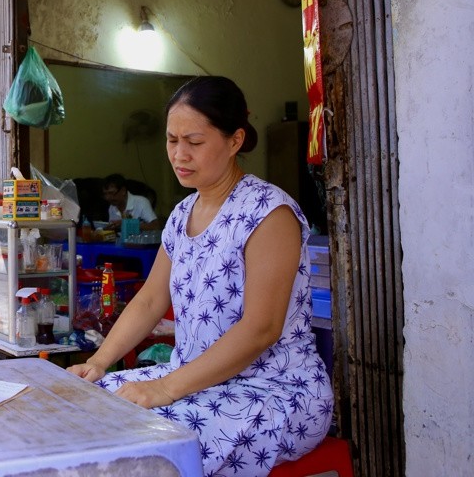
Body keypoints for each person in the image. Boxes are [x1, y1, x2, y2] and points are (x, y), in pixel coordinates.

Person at [69, 76, 333, 477]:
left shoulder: (269, 213)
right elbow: (149, 300)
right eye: (172, 141)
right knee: (89, 407)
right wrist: (100, 362)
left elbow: (261, 328)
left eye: (194, 142)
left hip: (272, 391)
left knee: (153, 447)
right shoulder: (180, 215)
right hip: (194, 380)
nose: (179, 154)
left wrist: (163, 389)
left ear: (234, 141)